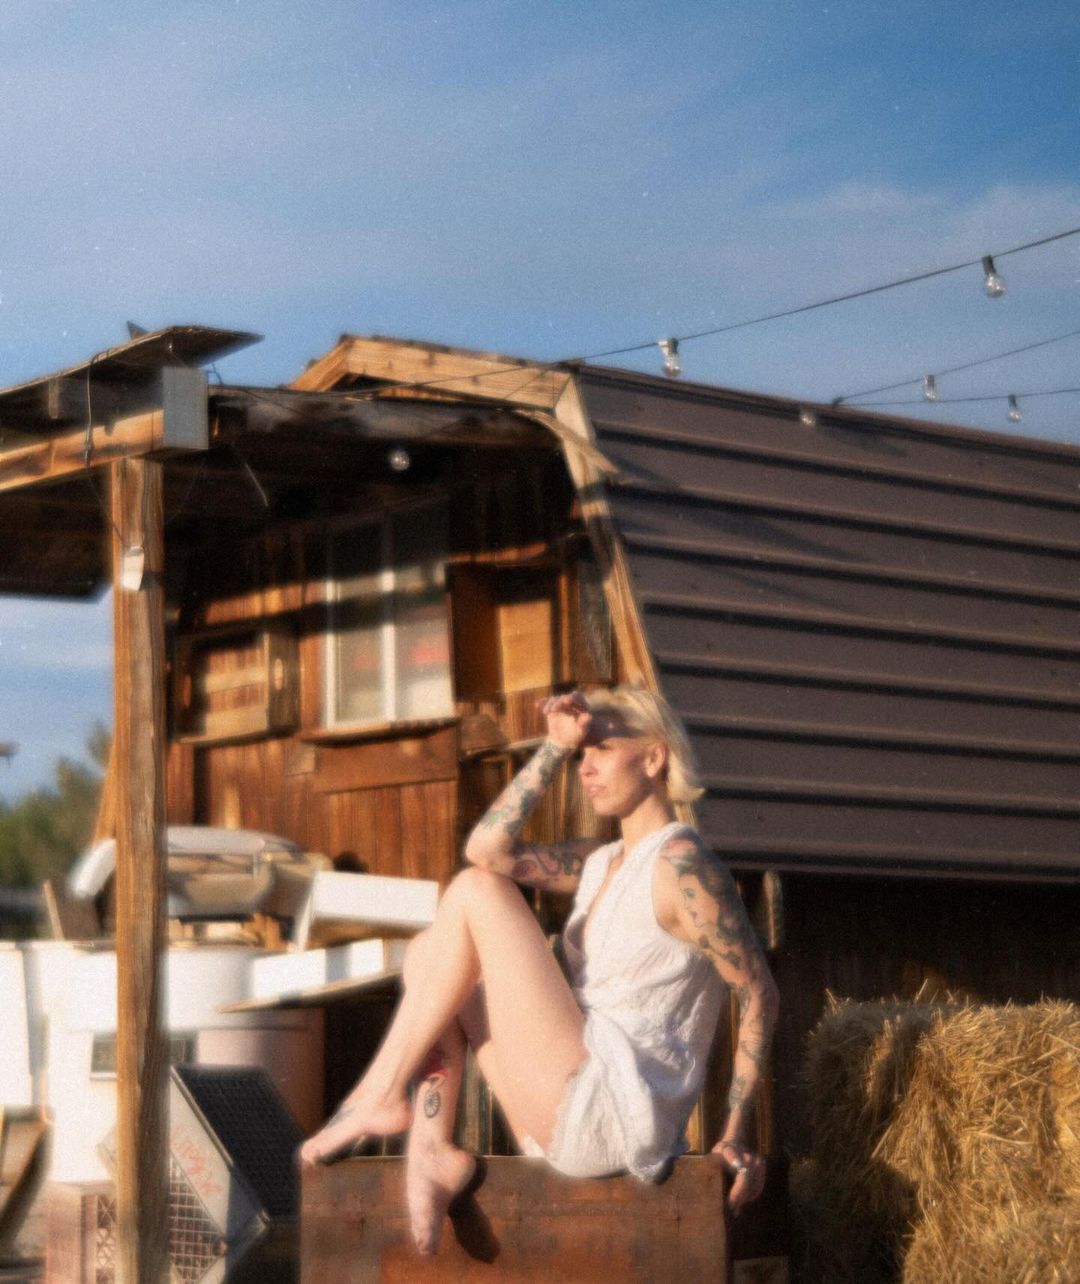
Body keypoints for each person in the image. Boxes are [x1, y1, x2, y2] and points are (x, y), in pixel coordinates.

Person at [299, 686, 779, 1256]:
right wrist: (553, 747)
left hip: (610, 1111)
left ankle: (378, 1093)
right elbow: (487, 849)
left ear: (654, 758)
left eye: (602, 747)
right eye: (581, 754)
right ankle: (429, 1147)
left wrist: (733, 1133)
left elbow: (758, 992)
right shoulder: (600, 862)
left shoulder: (683, 864)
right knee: (433, 951)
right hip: (559, 1107)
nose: (586, 766)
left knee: (476, 893)